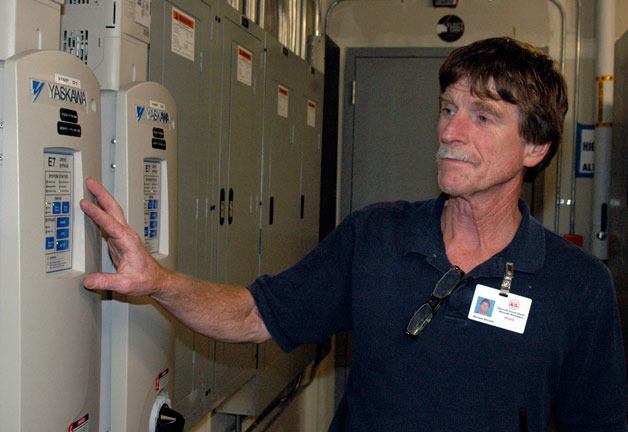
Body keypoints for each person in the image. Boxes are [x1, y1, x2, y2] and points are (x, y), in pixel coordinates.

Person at [81, 37, 627, 431]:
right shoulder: (378, 236)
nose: (449, 132)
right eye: (447, 109)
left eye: (482, 118)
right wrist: (157, 281)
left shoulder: (577, 286)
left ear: (535, 148)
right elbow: (253, 315)